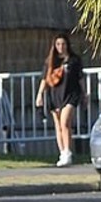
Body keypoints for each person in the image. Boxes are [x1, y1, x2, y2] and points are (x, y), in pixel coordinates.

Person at [35, 33, 85, 167]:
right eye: (58, 44)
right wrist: (40, 95)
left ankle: (68, 152)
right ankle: (62, 152)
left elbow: (80, 78)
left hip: (70, 94)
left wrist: (84, 94)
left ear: (67, 45)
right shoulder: (51, 61)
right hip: (55, 94)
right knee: (58, 125)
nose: (61, 47)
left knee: (65, 122)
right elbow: (45, 79)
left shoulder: (74, 60)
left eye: (63, 44)